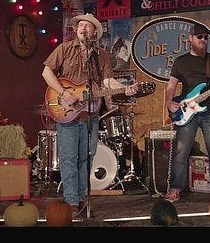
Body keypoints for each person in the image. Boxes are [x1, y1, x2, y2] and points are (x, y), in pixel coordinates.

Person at [41, 13, 138, 216]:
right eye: (80, 25)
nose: (83, 28)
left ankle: (82, 197)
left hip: (90, 115)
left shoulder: (101, 55)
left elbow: (107, 83)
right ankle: (71, 201)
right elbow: (46, 72)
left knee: (87, 157)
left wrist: (124, 88)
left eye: (88, 26)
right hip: (67, 113)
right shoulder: (65, 49)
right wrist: (63, 92)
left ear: (94, 32)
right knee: (69, 158)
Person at [164, 23, 210, 202]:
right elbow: (171, 85)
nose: (203, 40)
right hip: (186, 111)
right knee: (181, 151)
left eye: (206, 37)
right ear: (190, 39)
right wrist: (169, 101)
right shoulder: (181, 61)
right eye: (199, 37)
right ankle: (175, 189)